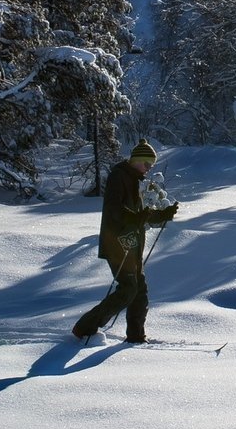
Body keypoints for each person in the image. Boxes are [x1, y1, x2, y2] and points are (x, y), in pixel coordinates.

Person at [72, 139, 178, 342]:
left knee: (139, 291)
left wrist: (163, 215)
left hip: (131, 245)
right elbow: (115, 209)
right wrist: (136, 218)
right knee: (129, 289)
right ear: (137, 160)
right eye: (147, 164)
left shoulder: (133, 180)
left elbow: (140, 215)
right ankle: (84, 327)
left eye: (151, 166)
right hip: (117, 244)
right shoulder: (118, 177)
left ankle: (136, 337)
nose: (148, 169)